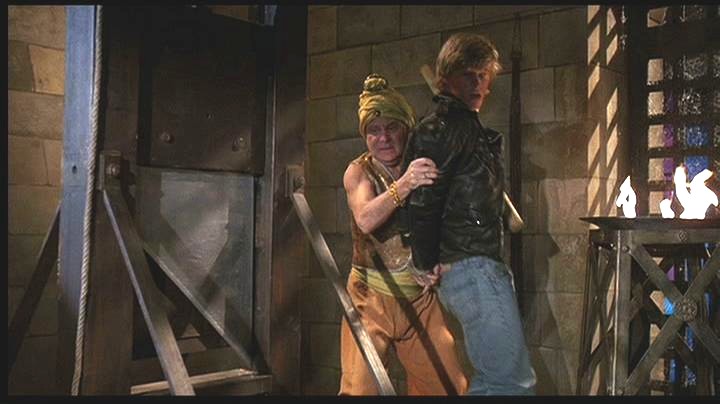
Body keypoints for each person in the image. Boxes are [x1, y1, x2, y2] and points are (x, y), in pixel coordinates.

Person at [401, 32, 536, 395]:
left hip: (480, 262)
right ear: (446, 79)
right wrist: (425, 261)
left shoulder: (465, 128)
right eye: (468, 75)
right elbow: (424, 200)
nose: (477, 84)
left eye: (482, 75)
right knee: (508, 381)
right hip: (469, 264)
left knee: (501, 379)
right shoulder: (440, 129)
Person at [339, 73, 467, 395]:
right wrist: (405, 184)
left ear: (407, 127)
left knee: (449, 387)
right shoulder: (359, 171)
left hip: (418, 298)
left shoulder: (424, 166)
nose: (383, 138)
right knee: (359, 390)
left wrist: (437, 263)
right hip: (369, 299)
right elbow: (365, 219)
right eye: (373, 130)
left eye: (391, 127)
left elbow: (448, 223)